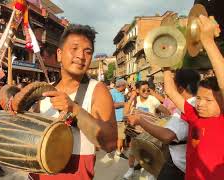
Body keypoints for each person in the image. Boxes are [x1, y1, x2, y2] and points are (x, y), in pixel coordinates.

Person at [29, 24, 117, 180]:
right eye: (74, 48)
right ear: (59, 54)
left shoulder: (97, 89)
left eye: (87, 51)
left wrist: (74, 109)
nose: (81, 56)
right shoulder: (45, 91)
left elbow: (110, 143)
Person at [162, 15, 224, 180]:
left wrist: (209, 43)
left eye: (209, 100)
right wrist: (164, 60)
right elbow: (170, 90)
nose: (201, 104)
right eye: (199, 98)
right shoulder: (194, 116)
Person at [125, 69, 201, 180]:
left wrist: (140, 120)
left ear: (179, 88)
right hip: (186, 160)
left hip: (179, 164)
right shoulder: (200, 103)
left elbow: (167, 136)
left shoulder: (188, 107)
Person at [123, 80, 171, 179]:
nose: (146, 92)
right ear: (137, 90)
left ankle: (151, 173)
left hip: (149, 133)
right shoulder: (135, 99)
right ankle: (131, 169)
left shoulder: (152, 99)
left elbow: (166, 112)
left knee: (150, 153)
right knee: (132, 152)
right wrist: (131, 98)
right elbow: (125, 113)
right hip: (136, 132)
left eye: (148, 90)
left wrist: (159, 122)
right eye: (143, 90)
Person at [101, 79, 128, 163]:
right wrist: (123, 104)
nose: (125, 88)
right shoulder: (112, 92)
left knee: (120, 136)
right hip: (115, 118)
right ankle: (117, 152)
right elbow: (111, 105)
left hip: (121, 118)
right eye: (124, 86)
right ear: (122, 86)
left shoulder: (121, 93)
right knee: (118, 136)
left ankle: (118, 151)